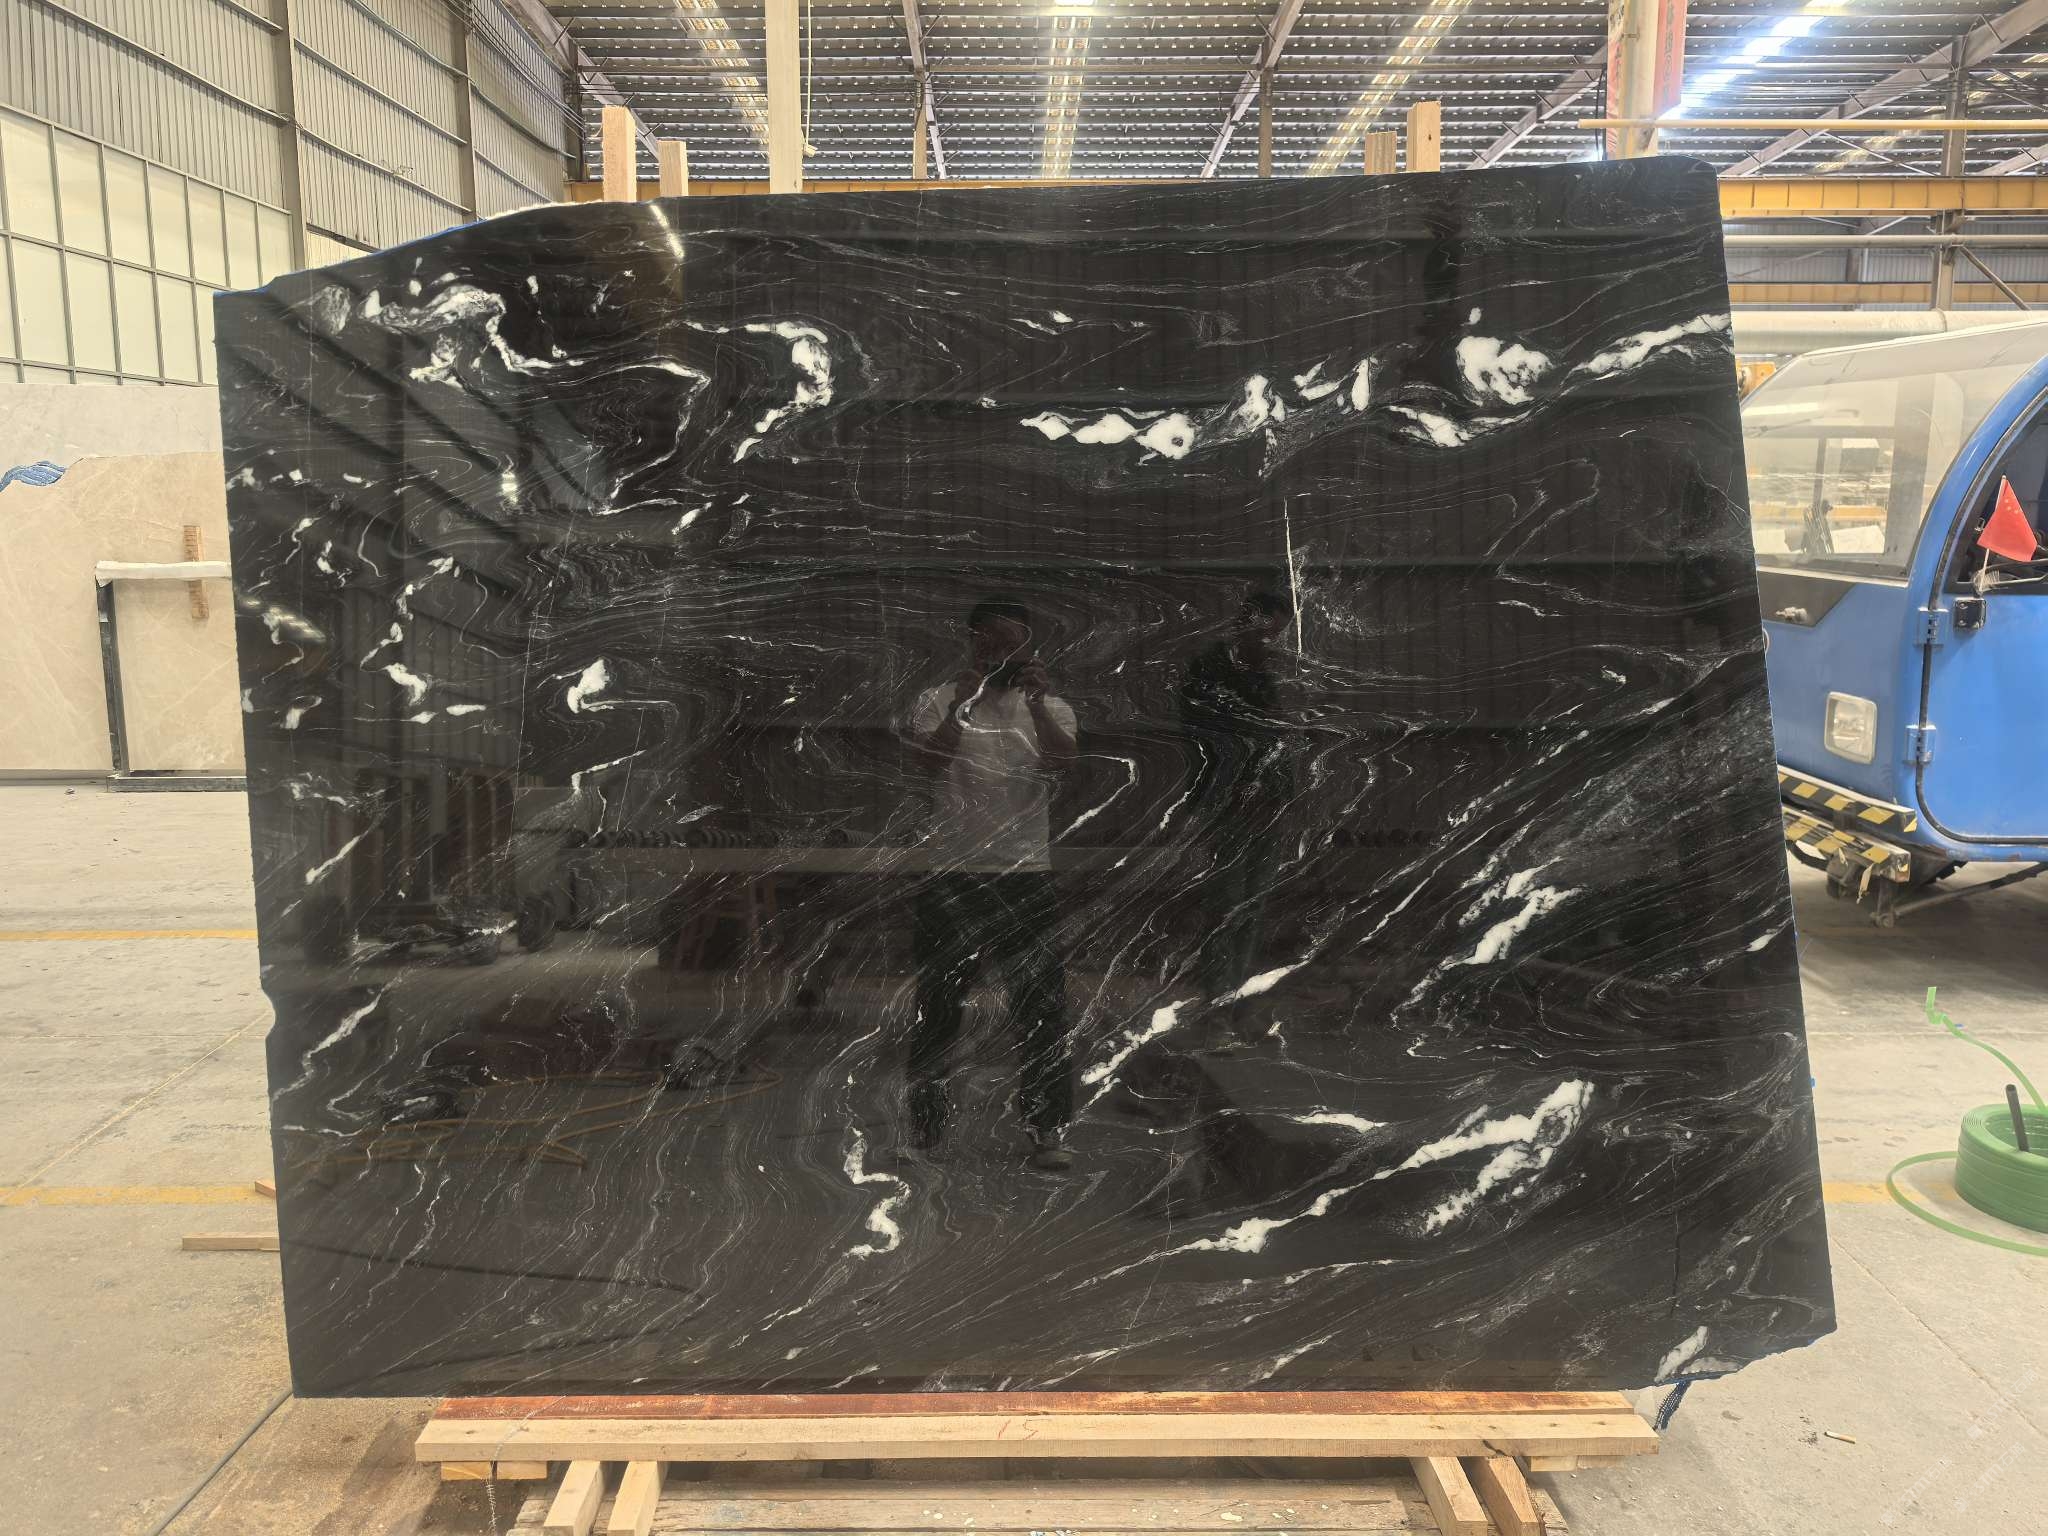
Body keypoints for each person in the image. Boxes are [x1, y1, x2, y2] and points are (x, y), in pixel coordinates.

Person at [903, 598, 1079, 1170]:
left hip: (1024, 874)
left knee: (1041, 1007)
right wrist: (963, 702)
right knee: (938, 1005)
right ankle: (926, 1132)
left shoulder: (1051, 705)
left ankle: (1047, 1129)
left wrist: (1038, 704)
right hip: (952, 874)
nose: (1000, 653)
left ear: (1028, 648)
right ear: (972, 643)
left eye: (1012, 643)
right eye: (989, 641)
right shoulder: (937, 700)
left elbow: (1063, 765)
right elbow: (928, 765)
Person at [1178, 588, 1295, 1048]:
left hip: (1267, 801)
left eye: (1277, 635)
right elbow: (1207, 738)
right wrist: (1232, 791)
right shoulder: (1211, 668)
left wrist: (1281, 793)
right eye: (1267, 632)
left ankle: (1237, 1007)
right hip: (1228, 802)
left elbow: (1279, 737)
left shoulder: (1268, 671)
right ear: (1246, 622)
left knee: (1252, 907)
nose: (1272, 642)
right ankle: (1217, 1009)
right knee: (1226, 907)